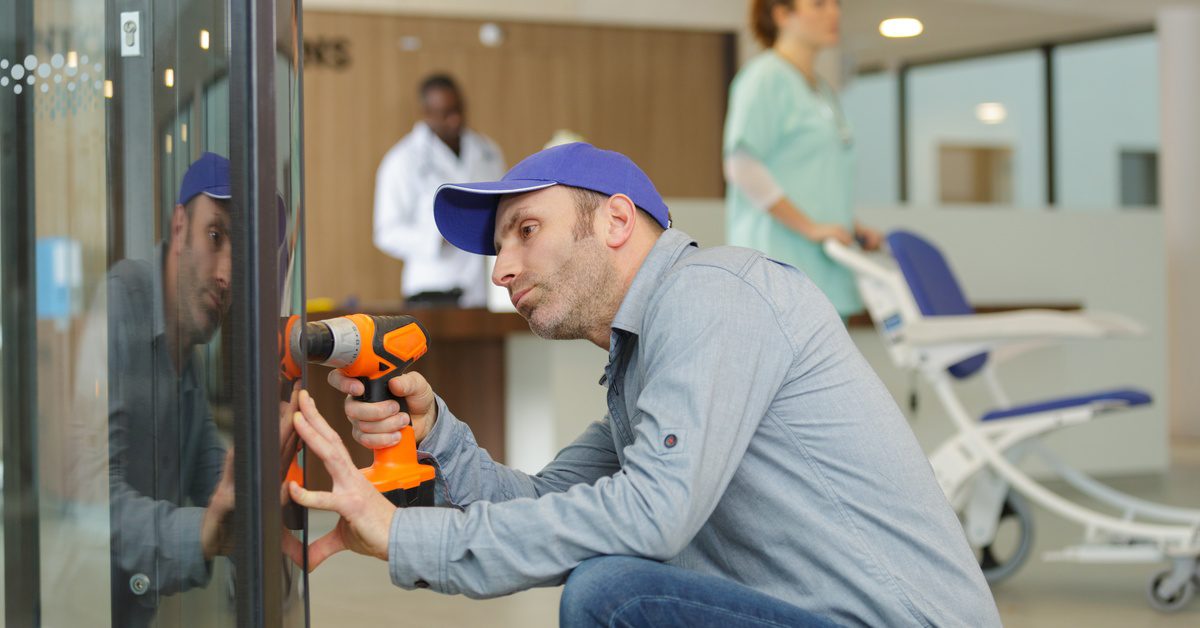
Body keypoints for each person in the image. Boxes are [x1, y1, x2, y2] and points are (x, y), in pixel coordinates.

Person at [287, 143, 1002, 627]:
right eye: (499, 246)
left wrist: (409, 538)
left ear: (619, 219)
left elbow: (650, 514)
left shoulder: (715, 293)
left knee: (613, 595)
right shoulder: (646, 363)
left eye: (525, 229)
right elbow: (542, 503)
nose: (501, 269)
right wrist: (434, 431)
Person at [100, 152, 237, 626]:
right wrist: (202, 531)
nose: (227, 274)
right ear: (179, 226)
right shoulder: (119, 306)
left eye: (243, 253)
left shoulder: (187, 350)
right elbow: (87, 501)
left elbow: (210, 475)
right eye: (215, 236)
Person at [724, 0, 883, 319]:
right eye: (818, 4)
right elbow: (742, 167)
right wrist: (810, 228)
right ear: (782, 15)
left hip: (826, 269)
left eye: (836, 4)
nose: (834, 13)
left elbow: (811, 176)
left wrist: (850, 225)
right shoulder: (764, 78)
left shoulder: (822, 90)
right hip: (778, 271)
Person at [373, 73, 506, 308]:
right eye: (446, 113)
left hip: (484, 288)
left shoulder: (488, 151)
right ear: (427, 113)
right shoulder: (402, 159)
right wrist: (440, 236)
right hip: (432, 288)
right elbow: (386, 231)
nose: (455, 120)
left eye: (458, 110)